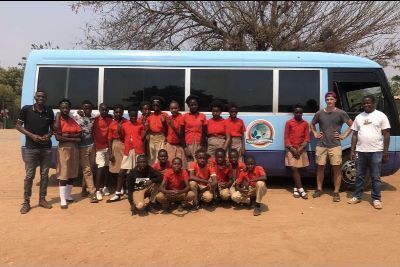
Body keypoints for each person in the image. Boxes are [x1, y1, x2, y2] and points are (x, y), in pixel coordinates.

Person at [348, 95, 390, 209]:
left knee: (375, 176)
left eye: (369, 103)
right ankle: (357, 196)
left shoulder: (381, 116)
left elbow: (386, 134)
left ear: (374, 103)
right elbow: (355, 135)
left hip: (376, 151)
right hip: (360, 151)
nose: (366, 105)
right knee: (359, 175)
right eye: (364, 103)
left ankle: (376, 198)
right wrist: (352, 150)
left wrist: (385, 152)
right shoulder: (359, 117)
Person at [16, 90, 54, 214]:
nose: (41, 98)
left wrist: (48, 136)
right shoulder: (26, 109)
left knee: (44, 175)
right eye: (38, 96)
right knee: (29, 176)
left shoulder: (49, 111)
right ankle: (26, 202)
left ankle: (42, 199)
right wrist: (32, 136)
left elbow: (52, 129)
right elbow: (18, 126)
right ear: (35, 97)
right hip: (31, 148)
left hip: (46, 148)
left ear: (46, 99)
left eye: (43, 96)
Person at [311, 92, 353, 202]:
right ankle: (319, 189)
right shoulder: (319, 113)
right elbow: (312, 124)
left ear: (335, 100)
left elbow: (352, 125)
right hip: (321, 145)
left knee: (337, 169)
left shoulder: (341, 113)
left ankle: (336, 192)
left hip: (335, 146)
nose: (329, 101)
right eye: (327, 99)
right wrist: (315, 133)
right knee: (320, 168)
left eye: (331, 99)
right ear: (325, 101)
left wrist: (343, 135)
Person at [108, 108, 145, 203]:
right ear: (129, 115)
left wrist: (138, 141)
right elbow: (121, 136)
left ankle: (139, 192)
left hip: (138, 150)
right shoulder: (124, 125)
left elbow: (143, 137)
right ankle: (117, 193)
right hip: (128, 150)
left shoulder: (140, 125)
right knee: (122, 172)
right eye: (131, 115)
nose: (133, 117)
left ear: (137, 115)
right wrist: (120, 131)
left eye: (135, 115)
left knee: (139, 172)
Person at [54, 99, 82, 209]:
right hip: (63, 149)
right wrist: (73, 137)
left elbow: (80, 134)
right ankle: (62, 199)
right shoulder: (58, 120)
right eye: (63, 107)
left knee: (72, 172)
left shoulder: (72, 120)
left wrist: (66, 135)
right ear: (60, 109)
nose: (65, 109)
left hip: (74, 149)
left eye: (67, 107)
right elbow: (57, 137)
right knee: (63, 174)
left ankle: (68, 195)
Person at [70, 100, 98, 203]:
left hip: (92, 146)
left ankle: (83, 189)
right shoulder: (76, 116)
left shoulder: (94, 116)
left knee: (90, 169)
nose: (87, 110)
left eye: (89, 108)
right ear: (82, 108)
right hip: (82, 147)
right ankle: (92, 193)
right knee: (87, 170)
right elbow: (63, 112)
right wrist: (77, 112)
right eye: (85, 108)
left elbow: (105, 112)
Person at [284, 104, 310, 199]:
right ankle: (301, 189)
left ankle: (295, 188)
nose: (298, 114)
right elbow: (286, 137)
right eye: (296, 112)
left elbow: (307, 138)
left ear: (302, 113)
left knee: (300, 169)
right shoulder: (289, 123)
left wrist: (300, 149)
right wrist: (292, 149)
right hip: (291, 149)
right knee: (294, 168)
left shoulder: (305, 124)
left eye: (300, 112)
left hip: (301, 149)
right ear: (293, 113)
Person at [93, 103, 113, 200]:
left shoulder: (110, 120)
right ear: (99, 110)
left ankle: (105, 187)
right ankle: (97, 190)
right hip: (99, 148)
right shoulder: (95, 120)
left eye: (106, 110)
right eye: (102, 110)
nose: (104, 111)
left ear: (108, 111)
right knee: (100, 168)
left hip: (108, 147)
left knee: (106, 169)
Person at [107, 105, 127, 200]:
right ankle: (121, 187)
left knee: (125, 168)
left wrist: (121, 132)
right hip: (115, 144)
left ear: (123, 113)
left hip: (125, 145)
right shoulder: (112, 123)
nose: (118, 114)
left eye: (120, 112)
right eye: (116, 112)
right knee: (116, 169)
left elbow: (127, 137)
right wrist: (110, 153)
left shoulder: (126, 122)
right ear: (114, 113)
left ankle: (125, 187)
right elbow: (109, 139)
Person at [181, 95, 207, 163]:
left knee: (199, 164)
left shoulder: (202, 116)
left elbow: (204, 133)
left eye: (195, 104)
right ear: (189, 106)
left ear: (198, 105)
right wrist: (185, 148)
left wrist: (201, 145)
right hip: (188, 144)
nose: (194, 106)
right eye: (191, 105)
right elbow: (181, 134)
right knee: (189, 164)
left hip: (199, 144)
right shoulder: (184, 117)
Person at [146, 96, 168, 165]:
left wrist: (164, 122)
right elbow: (148, 129)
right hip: (152, 138)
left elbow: (168, 128)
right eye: (154, 105)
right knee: (152, 157)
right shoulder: (149, 116)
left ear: (160, 105)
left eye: (157, 105)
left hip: (161, 137)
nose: (155, 106)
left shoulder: (165, 115)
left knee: (161, 157)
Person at [164, 100, 187, 168]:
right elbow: (166, 130)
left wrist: (173, 126)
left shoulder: (182, 118)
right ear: (170, 109)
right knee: (170, 165)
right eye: (172, 108)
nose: (173, 110)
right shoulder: (169, 118)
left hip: (179, 145)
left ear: (179, 108)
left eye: (175, 108)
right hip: (170, 144)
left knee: (180, 165)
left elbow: (181, 134)